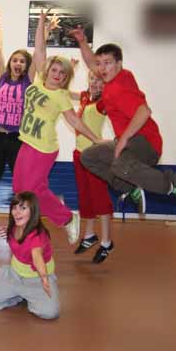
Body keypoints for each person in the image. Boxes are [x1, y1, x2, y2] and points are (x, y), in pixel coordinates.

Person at [71, 27, 176, 214]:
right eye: (100, 64)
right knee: (88, 157)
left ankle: (174, 184)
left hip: (146, 141)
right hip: (130, 142)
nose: (102, 68)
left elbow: (144, 111)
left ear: (119, 64)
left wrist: (122, 140)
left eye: (108, 63)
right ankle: (130, 189)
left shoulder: (118, 89)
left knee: (119, 164)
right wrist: (82, 41)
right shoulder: (121, 76)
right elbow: (92, 63)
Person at [11, 11, 103, 245]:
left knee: (32, 191)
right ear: (48, 70)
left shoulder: (61, 95)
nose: (57, 74)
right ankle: (52, 211)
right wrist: (41, 22)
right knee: (19, 188)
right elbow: (39, 50)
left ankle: (67, 218)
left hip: (43, 148)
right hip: (27, 142)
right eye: (54, 70)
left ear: (65, 78)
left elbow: (75, 121)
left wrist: (96, 139)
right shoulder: (39, 80)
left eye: (62, 73)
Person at [0, 191, 60, 320]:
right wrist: (8, 230)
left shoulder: (38, 235)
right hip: (15, 275)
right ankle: (19, 295)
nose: (17, 212)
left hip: (37, 278)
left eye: (23, 208)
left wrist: (44, 279)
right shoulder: (14, 227)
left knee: (49, 313)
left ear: (33, 211)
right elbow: (18, 240)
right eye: (14, 208)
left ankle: (30, 296)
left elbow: (37, 257)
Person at [0, 6, 34, 180]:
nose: (18, 63)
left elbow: (39, 54)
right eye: (15, 60)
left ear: (26, 66)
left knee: (20, 175)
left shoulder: (28, 81)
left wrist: (45, 32)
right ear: (10, 63)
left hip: (17, 136)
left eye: (22, 61)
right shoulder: (3, 78)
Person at [72, 70, 115, 263]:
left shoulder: (103, 102)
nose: (95, 83)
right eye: (92, 79)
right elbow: (63, 93)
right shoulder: (84, 97)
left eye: (100, 80)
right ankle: (89, 235)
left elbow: (119, 109)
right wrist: (71, 70)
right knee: (85, 197)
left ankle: (107, 242)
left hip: (95, 156)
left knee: (99, 197)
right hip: (79, 154)